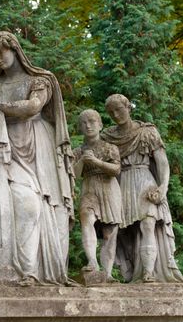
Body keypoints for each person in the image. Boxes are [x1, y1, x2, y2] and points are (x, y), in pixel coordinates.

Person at [0, 31, 75, 286]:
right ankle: (28, 272)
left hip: (38, 143)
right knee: (27, 204)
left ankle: (48, 271)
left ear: (15, 49)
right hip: (6, 146)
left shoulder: (40, 80)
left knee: (53, 208)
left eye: (1, 51)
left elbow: (33, 107)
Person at [102, 94, 183, 283]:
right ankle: (131, 272)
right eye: (111, 112)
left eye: (119, 109)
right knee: (121, 231)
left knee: (148, 223)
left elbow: (162, 162)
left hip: (144, 180)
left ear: (128, 107)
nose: (116, 115)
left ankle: (149, 272)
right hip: (120, 183)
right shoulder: (108, 137)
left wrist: (163, 187)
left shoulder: (147, 132)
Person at [73, 109, 122, 282]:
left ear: (100, 125)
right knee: (87, 217)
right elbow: (74, 174)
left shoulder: (110, 148)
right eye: (84, 123)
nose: (88, 126)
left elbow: (116, 170)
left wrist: (96, 162)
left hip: (109, 189)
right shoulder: (78, 151)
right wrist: (82, 162)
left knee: (109, 233)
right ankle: (92, 261)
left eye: (92, 121)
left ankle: (107, 273)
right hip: (89, 187)